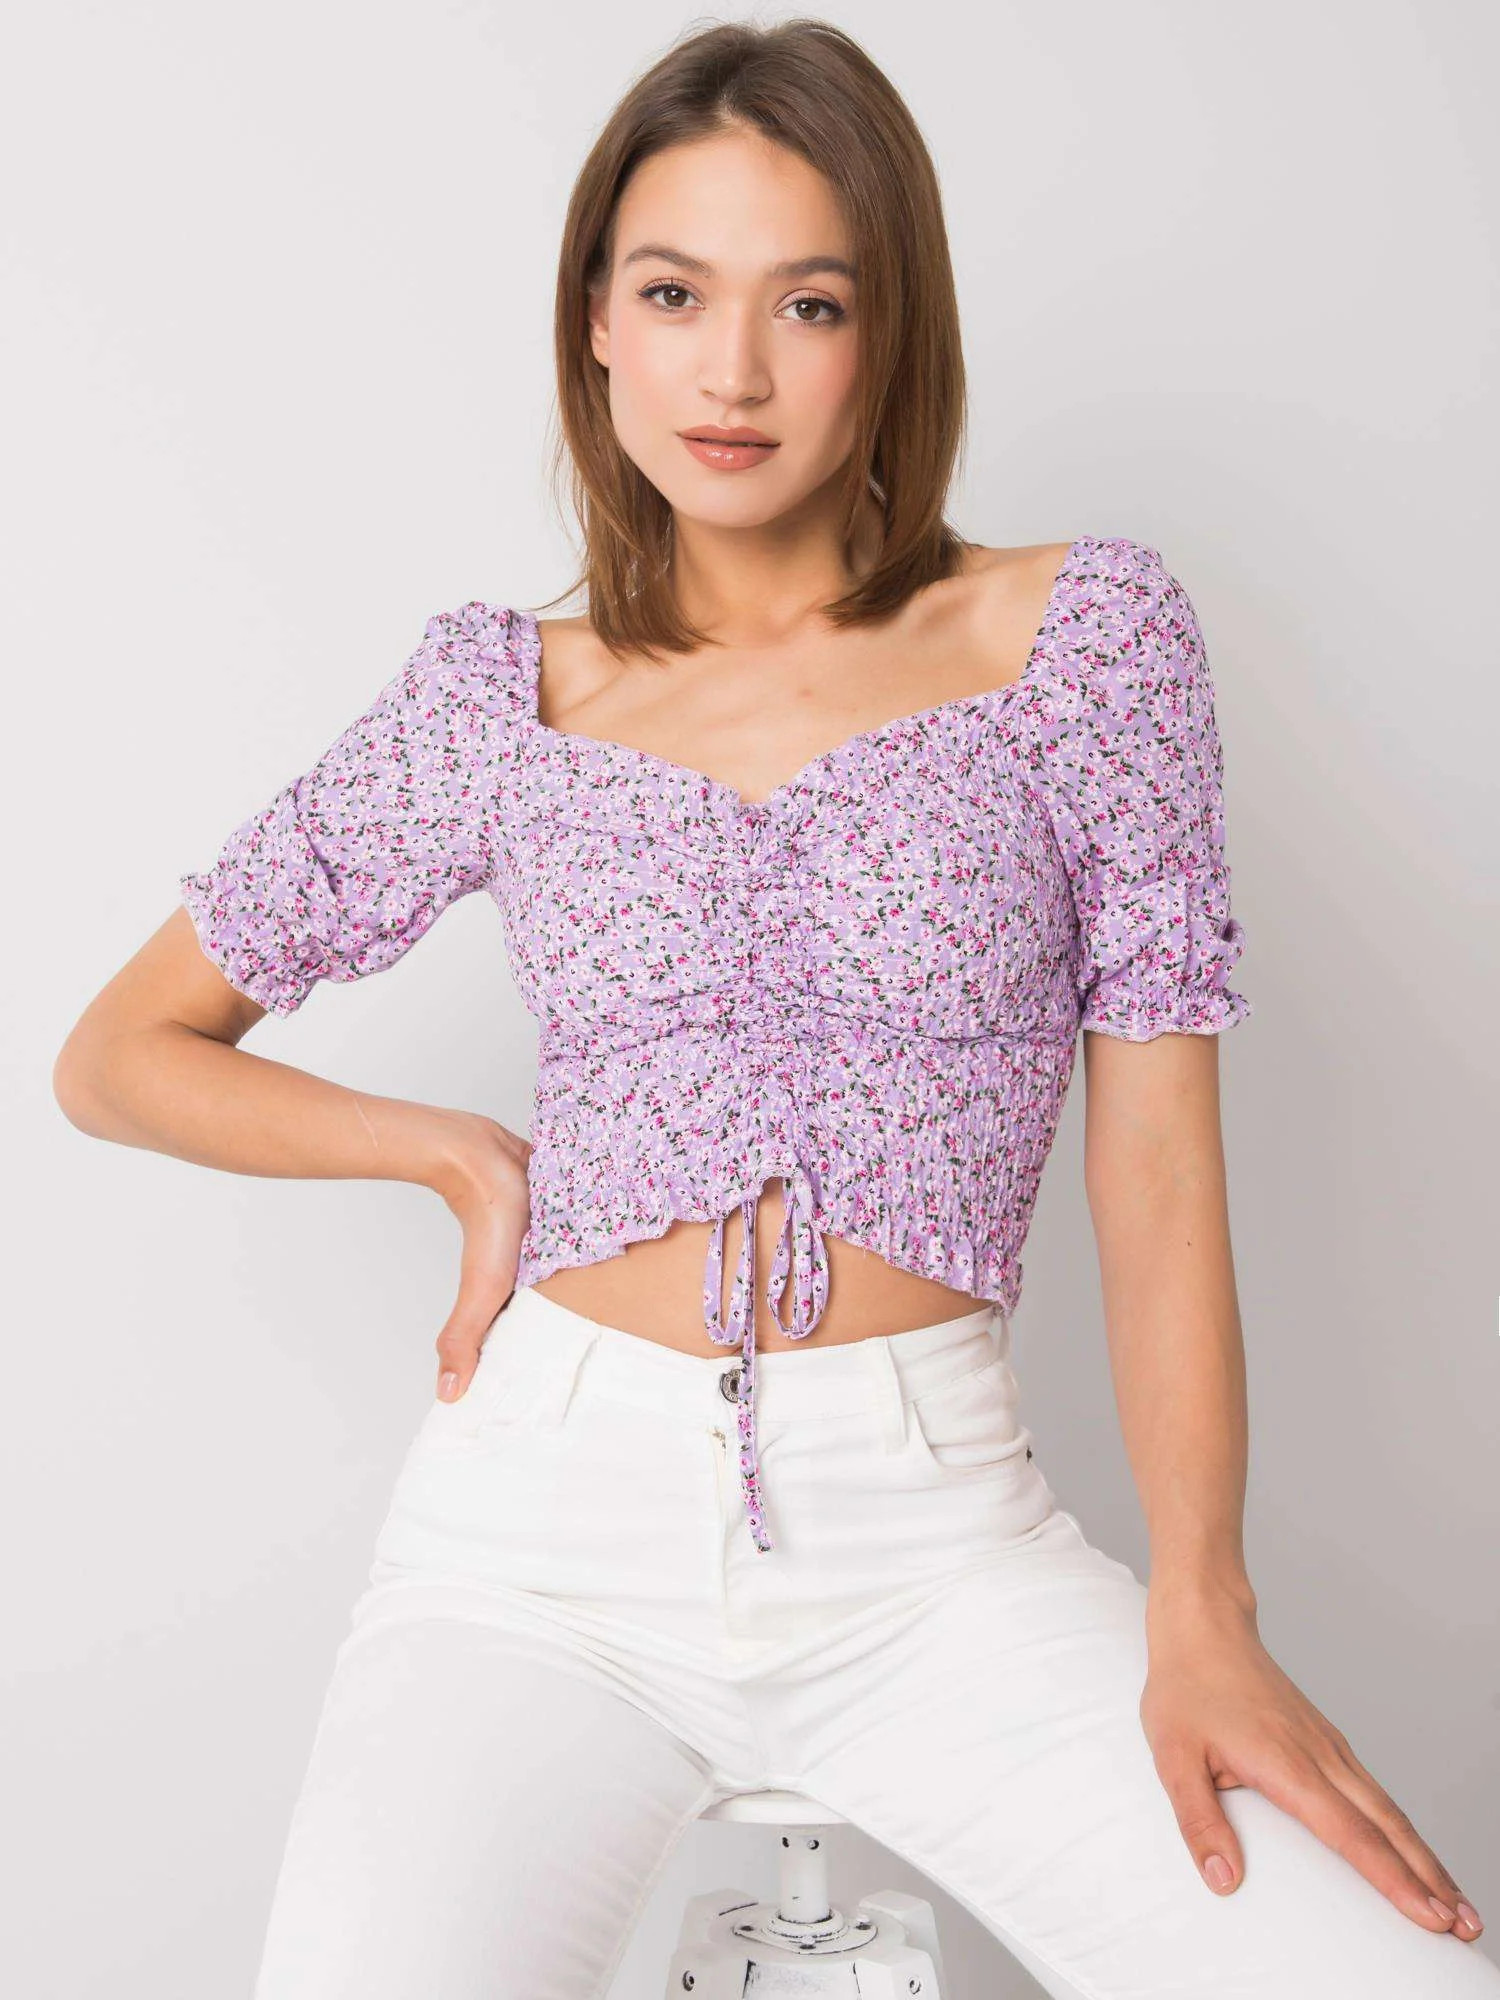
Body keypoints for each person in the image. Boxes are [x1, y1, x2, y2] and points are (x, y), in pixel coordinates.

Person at [54, 18, 1494, 1999]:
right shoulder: (501, 696)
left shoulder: (1080, 641)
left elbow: (1158, 1158)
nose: (732, 371)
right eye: (674, 295)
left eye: (809, 303)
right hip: (537, 1549)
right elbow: (118, 1054)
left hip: (937, 1545)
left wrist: (1205, 1603)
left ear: (892, 335)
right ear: (597, 325)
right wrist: (457, 1157)